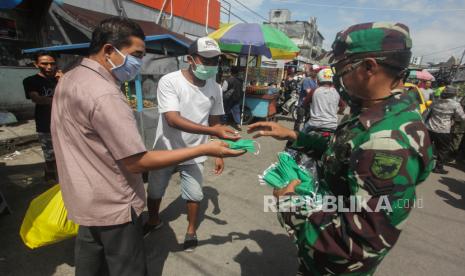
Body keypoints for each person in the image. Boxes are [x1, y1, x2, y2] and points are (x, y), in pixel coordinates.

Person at [51, 17, 243, 276]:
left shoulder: (71, 78)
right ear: (109, 50)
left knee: (91, 265)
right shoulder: (106, 95)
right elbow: (137, 161)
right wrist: (206, 147)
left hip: (85, 199)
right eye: (137, 55)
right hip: (114, 204)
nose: (140, 63)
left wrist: (212, 142)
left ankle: (189, 229)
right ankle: (153, 220)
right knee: (127, 265)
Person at [248, 22, 433, 275]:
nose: (337, 78)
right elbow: (346, 154)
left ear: (369, 67)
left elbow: (354, 246)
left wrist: (290, 203)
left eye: (342, 68)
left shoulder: (388, 142)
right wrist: (294, 135)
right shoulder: (376, 112)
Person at [145, 37, 241, 251]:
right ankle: (153, 221)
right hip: (166, 148)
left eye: (215, 60)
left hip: (197, 150)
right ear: (190, 59)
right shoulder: (170, 81)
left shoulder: (215, 87)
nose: (211, 65)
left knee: (195, 194)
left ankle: (191, 230)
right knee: (155, 190)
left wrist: (218, 151)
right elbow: (173, 119)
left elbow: (215, 120)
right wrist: (212, 132)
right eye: (205, 60)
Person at [23, 51, 62, 182]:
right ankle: (51, 181)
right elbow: (37, 99)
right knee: (50, 156)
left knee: (66, 155)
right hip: (45, 124)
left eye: (52, 63)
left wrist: (63, 80)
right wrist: (59, 100)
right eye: (44, 64)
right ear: (36, 64)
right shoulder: (30, 81)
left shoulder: (61, 78)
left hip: (65, 123)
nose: (49, 67)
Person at [426, 86, 465, 174]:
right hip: (443, 130)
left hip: (430, 128)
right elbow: (461, 117)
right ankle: (438, 168)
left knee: (427, 147)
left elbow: (429, 110)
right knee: (443, 150)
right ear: (453, 94)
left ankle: (424, 165)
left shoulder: (436, 101)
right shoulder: (455, 104)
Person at [303, 68, 344, 133]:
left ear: (318, 80)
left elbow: (305, 104)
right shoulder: (336, 92)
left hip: (314, 125)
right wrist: (337, 112)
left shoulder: (314, 91)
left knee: (300, 139)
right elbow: (342, 106)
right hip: (332, 126)